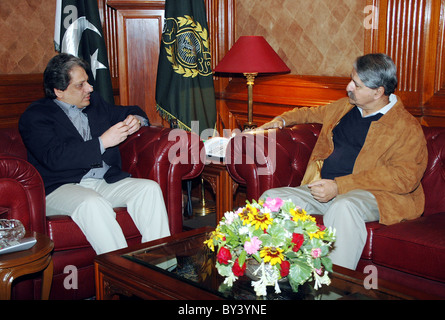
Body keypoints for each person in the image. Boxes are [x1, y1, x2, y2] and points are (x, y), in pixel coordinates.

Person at [257, 53, 427, 270]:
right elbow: (309, 113)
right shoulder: (344, 108)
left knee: (344, 206)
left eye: (356, 84)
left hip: (380, 197)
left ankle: (333, 291)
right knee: (271, 200)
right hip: (325, 189)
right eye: (351, 79)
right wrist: (280, 120)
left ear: (378, 92)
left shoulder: (406, 127)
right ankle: (271, 279)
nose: (348, 87)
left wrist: (340, 186)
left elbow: (404, 178)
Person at [19, 53, 170, 255]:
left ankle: (160, 266)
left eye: (88, 82)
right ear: (59, 91)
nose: (89, 88)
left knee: (148, 190)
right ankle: (122, 274)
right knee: (93, 203)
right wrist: (102, 142)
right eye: (80, 85)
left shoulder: (95, 103)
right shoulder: (36, 116)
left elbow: (131, 110)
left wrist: (137, 119)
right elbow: (54, 158)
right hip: (59, 187)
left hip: (103, 181)